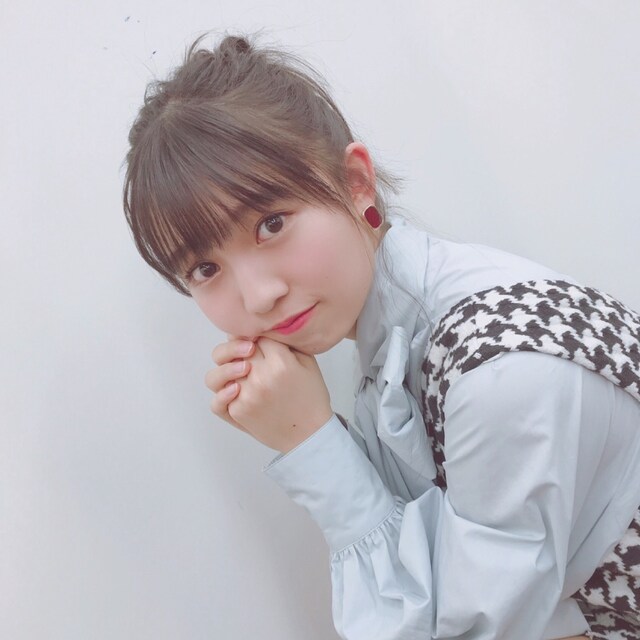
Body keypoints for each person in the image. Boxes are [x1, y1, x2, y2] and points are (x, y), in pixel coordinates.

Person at [122, 32, 640, 640]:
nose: (258, 296)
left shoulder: (495, 370)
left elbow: (457, 631)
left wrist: (312, 445)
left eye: (271, 223)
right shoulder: (397, 335)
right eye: (205, 269)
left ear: (356, 183)